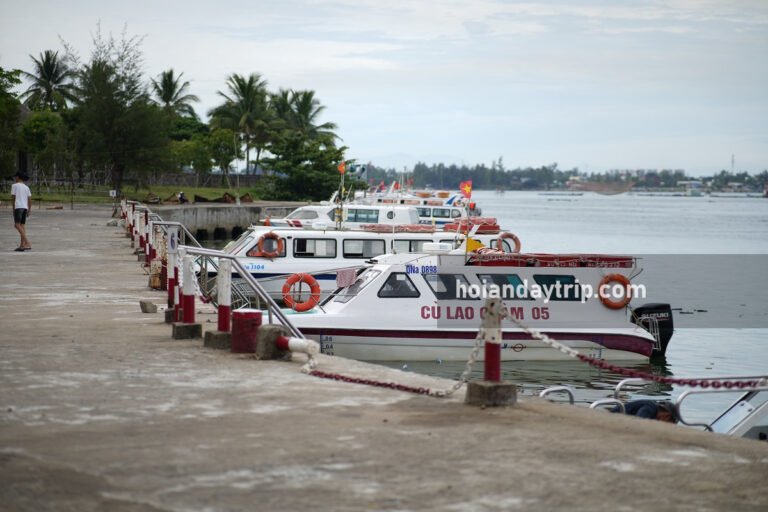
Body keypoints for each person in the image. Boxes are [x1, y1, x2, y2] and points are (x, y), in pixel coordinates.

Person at [11, 172, 32, 251]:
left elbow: (13, 199)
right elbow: (29, 200)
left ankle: (27, 243)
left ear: (18, 177)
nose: (15, 178)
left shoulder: (14, 186)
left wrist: (13, 209)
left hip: (18, 207)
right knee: (22, 226)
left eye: (15, 177)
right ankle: (22, 246)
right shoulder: (26, 187)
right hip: (25, 208)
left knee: (17, 225)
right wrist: (29, 210)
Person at [612, 399, 677, 423]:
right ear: (667, 415)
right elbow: (639, 421)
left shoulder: (653, 412)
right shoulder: (651, 408)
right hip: (615, 416)